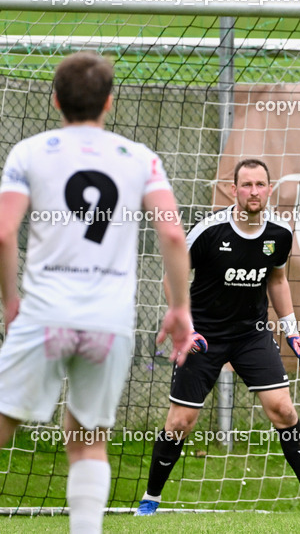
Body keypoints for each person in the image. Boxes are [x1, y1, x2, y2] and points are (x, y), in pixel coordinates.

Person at [0, 51, 193, 534]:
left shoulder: (29, 151)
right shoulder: (140, 158)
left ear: (54, 99)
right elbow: (172, 234)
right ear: (110, 102)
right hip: (108, 322)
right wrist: (180, 309)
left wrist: (10, 303)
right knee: (88, 439)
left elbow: (4, 233)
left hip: (44, 316)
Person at [134, 158, 300, 516]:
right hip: (204, 335)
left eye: (260, 185)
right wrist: (185, 326)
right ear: (233, 190)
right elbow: (173, 276)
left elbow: (277, 281)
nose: (253, 192)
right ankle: (150, 500)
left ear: (269, 189)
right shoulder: (209, 231)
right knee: (180, 422)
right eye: (246, 185)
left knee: (283, 409)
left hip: (252, 333)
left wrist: (291, 331)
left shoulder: (280, 233)